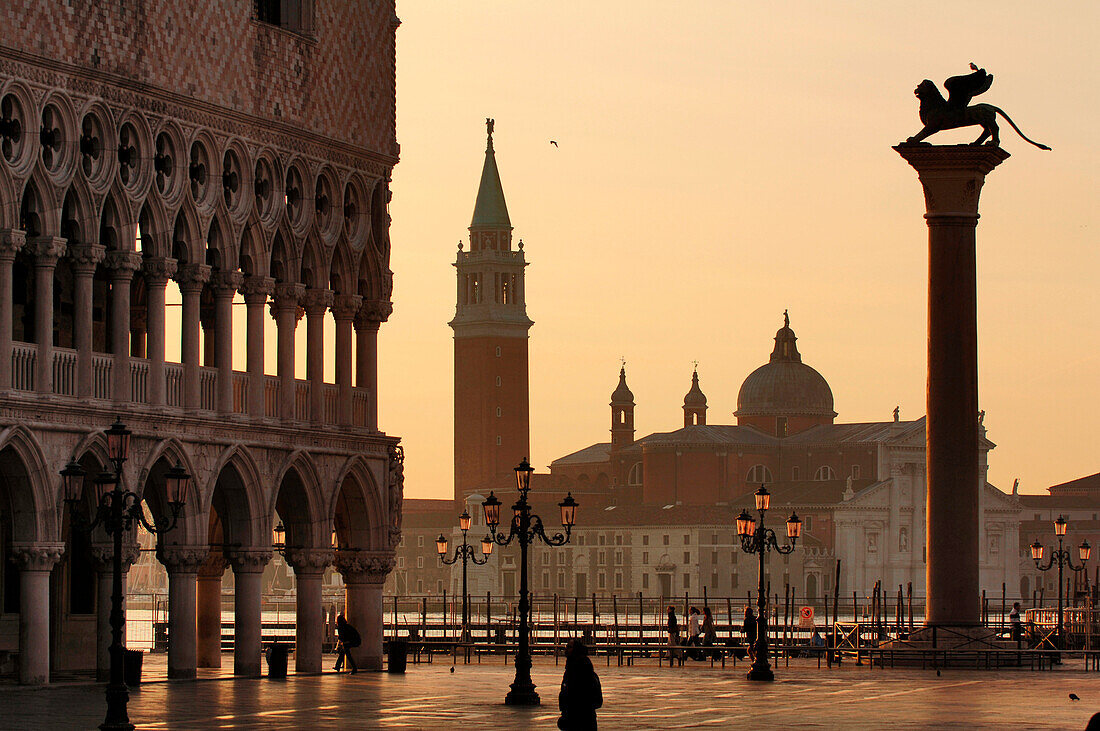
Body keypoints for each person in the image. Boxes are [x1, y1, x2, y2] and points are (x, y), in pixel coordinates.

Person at [558, 640, 602, 730]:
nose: (566, 650)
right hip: (576, 715)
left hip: (579, 716)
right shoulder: (572, 667)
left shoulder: (579, 669)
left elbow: (575, 692)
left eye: (569, 647)